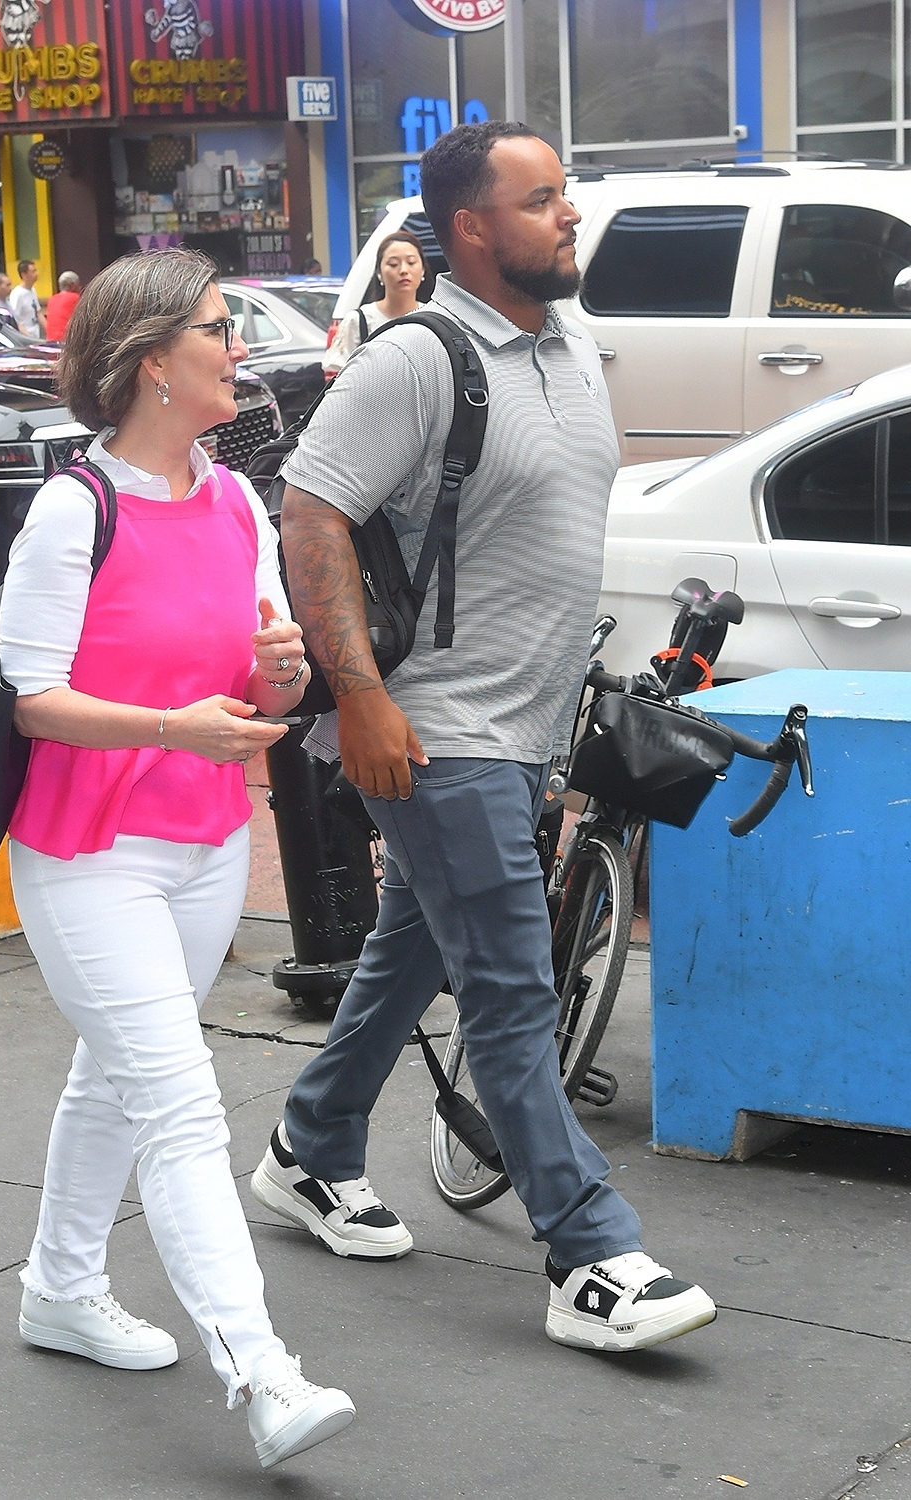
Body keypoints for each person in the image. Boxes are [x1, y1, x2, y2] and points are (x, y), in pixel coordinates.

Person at [252, 122, 718, 1355]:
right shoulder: (418, 358)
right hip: (435, 729)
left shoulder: (567, 343)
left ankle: (310, 1142)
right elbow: (311, 516)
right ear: (471, 227)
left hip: (523, 729)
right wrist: (360, 697)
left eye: (566, 193)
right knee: (513, 992)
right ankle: (590, 1251)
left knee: (416, 951)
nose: (570, 214)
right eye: (544, 198)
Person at [0, 248, 355, 1471]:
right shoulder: (71, 508)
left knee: (118, 1076)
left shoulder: (236, 500)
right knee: (181, 1100)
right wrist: (169, 726)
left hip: (203, 841)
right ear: (152, 362)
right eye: (216, 329)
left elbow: (258, 666)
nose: (237, 346)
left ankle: (59, 1287)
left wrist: (283, 672)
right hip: (89, 848)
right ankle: (263, 1372)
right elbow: (34, 696)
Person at [322, 230, 431, 377]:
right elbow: (334, 376)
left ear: (422, 269)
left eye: (411, 262)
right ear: (379, 272)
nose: (404, 270)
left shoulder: (434, 317)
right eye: (393, 264)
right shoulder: (359, 321)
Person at [10, 259, 45, 339]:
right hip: (25, 337)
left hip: (36, 335)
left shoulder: (33, 290)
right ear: (24, 274)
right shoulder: (17, 294)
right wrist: (27, 336)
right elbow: (15, 319)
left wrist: (49, 329)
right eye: (33, 271)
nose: (36, 274)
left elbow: (38, 313)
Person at [45, 270, 82, 341]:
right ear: (72, 285)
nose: (80, 287)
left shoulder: (52, 299)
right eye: (78, 284)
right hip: (66, 340)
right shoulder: (75, 298)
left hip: (50, 340)